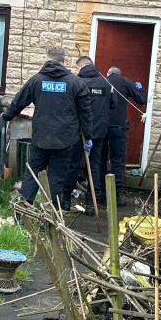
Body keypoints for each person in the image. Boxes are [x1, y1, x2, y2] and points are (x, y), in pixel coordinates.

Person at [2, 47, 92, 210]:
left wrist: (6, 116)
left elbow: (19, 101)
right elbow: (85, 112)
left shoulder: (37, 80)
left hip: (41, 137)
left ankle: (24, 209)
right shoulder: (75, 82)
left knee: (33, 172)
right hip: (65, 139)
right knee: (56, 177)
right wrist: (89, 136)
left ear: (47, 59)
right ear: (64, 62)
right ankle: (49, 213)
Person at [67, 56, 116, 216]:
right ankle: (90, 204)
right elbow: (113, 103)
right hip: (99, 132)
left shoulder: (78, 82)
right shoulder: (105, 82)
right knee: (95, 166)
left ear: (81, 66)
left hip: (79, 131)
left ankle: (66, 201)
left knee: (73, 164)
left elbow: (70, 105)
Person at [105, 66, 147, 206]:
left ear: (108, 73)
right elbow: (142, 99)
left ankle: (99, 194)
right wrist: (140, 88)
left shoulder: (102, 80)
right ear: (119, 73)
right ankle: (115, 197)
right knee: (118, 162)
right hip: (118, 127)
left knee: (99, 159)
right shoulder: (125, 81)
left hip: (101, 127)